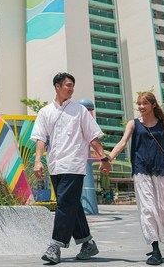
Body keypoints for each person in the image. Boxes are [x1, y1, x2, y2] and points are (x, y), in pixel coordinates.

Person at [31, 72, 111, 264]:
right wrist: (37, 161)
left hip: (74, 164)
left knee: (65, 204)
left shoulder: (80, 110)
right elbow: (41, 138)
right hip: (55, 165)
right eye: (68, 85)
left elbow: (92, 136)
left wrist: (103, 157)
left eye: (73, 85)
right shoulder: (45, 112)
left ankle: (55, 246)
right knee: (71, 205)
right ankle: (87, 243)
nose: (71, 89)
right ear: (57, 86)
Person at [108, 91, 164, 265]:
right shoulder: (133, 124)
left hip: (163, 170)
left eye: (144, 103)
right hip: (141, 170)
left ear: (153, 105)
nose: (141, 107)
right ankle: (155, 251)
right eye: (139, 104)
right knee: (147, 209)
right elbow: (123, 142)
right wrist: (108, 158)